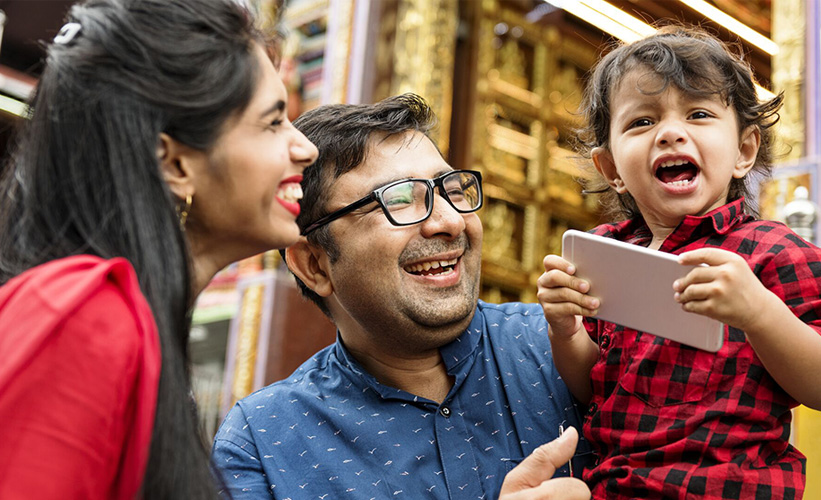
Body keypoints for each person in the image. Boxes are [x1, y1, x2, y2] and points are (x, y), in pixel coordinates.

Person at [0, 0, 317, 498]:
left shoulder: (131, 321)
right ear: (173, 164)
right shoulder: (83, 318)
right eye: (274, 122)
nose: (306, 148)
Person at [212, 94, 592, 499]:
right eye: (397, 199)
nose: (448, 221)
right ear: (314, 265)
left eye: (451, 189)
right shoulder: (263, 442)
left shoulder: (573, 349)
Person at [537, 25, 821, 499]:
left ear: (744, 151)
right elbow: (597, 390)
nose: (670, 133)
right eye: (642, 122)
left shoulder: (773, 251)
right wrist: (565, 331)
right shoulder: (605, 252)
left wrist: (759, 312)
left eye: (699, 114)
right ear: (611, 170)